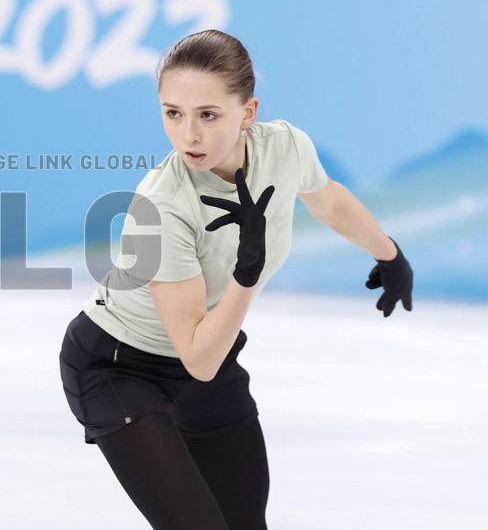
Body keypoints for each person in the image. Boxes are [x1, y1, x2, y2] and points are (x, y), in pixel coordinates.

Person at [58, 29, 414, 529]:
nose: (188, 136)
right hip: (119, 367)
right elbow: (198, 358)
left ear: (248, 112)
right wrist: (246, 274)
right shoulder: (161, 206)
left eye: (208, 114)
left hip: (210, 353)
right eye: (172, 113)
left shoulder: (285, 147)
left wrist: (391, 255)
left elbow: (328, 199)